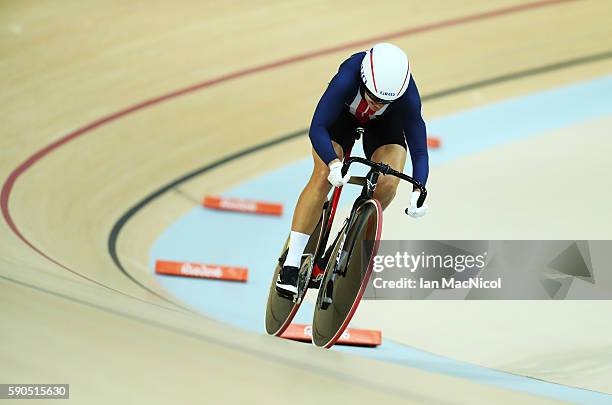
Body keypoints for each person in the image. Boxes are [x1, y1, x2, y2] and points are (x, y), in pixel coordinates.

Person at [276, 42, 429, 297]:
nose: (377, 105)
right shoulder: (348, 75)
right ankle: (290, 264)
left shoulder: (407, 95)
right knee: (324, 175)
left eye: (385, 101)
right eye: (374, 98)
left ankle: (349, 245)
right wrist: (334, 163)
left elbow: (419, 150)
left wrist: (419, 188)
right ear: (364, 81)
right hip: (342, 119)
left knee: (389, 182)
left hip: (383, 128)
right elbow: (317, 127)